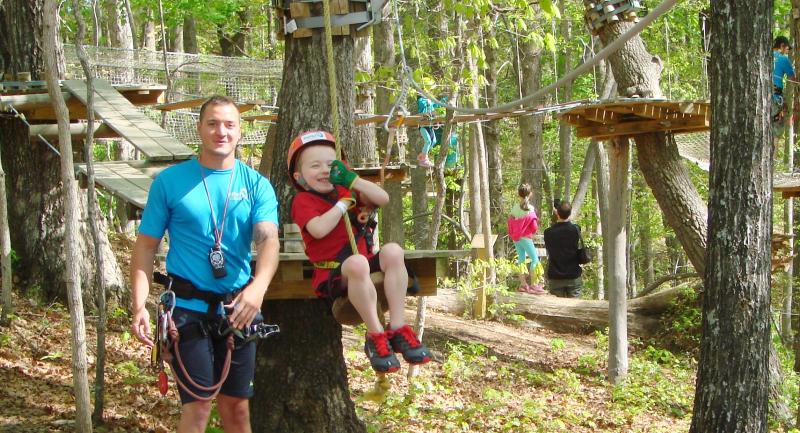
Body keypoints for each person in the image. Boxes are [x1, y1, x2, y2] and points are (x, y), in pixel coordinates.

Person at [130, 95, 280, 433]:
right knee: (197, 408)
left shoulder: (256, 185)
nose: (220, 132)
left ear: (240, 131)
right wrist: (139, 303)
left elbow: (269, 241)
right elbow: (144, 247)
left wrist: (258, 289)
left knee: (237, 409)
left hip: (238, 307)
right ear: (199, 129)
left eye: (229, 124)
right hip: (185, 308)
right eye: (212, 123)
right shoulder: (170, 182)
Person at [287, 130, 431, 373]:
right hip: (334, 273)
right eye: (315, 166)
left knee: (394, 251)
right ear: (299, 176)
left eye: (331, 165)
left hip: (362, 264)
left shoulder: (349, 191)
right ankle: (375, 334)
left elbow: (382, 198)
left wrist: (352, 181)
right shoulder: (303, 201)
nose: (324, 170)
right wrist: (343, 205)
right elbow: (319, 229)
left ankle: (398, 327)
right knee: (357, 263)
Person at [507, 184, 546, 295]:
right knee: (535, 259)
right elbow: (534, 226)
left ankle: (523, 285)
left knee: (521, 259)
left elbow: (510, 221)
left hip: (516, 238)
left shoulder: (514, 207)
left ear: (518, 194)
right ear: (530, 194)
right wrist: (532, 232)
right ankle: (534, 284)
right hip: (526, 237)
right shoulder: (530, 208)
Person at [543, 199, 584, 298]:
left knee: (557, 310)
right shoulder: (575, 229)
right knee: (575, 310)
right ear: (570, 214)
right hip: (573, 276)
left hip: (555, 276)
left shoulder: (548, 232)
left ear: (557, 213)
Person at [416, 94, 446, 168]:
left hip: (429, 126)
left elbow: (435, 105)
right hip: (423, 126)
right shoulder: (421, 101)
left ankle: (422, 155)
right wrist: (428, 100)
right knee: (428, 141)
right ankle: (423, 159)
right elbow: (422, 104)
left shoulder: (430, 102)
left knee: (434, 141)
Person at [773, 36, 795, 125]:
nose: (787, 51)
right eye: (787, 48)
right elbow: (793, 79)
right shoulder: (783, 59)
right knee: (776, 130)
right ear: (782, 45)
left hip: (760, 98)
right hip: (775, 98)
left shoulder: (764, 55)